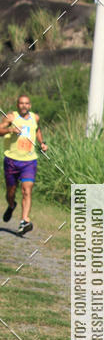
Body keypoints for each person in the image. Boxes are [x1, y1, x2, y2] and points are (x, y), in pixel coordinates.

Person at [1, 93, 47, 235]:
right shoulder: (11, 117)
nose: (24, 106)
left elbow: (37, 129)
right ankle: (11, 204)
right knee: (11, 192)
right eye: (21, 103)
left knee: (27, 190)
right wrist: (10, 130)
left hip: (29, 161)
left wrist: (42, 143)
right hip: (11, 160)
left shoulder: (35, 118)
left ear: (30, 105)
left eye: (26, 103)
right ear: (17, 105)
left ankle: (24, 221)